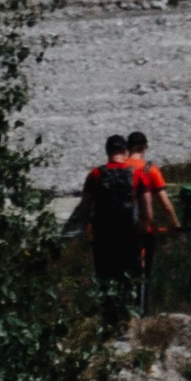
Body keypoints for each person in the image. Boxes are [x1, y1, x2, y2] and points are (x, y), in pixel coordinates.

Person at [64, 131, 146, 325]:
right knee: (130, 275)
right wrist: (144, 228)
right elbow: (146, 208)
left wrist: (85, 231)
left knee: (106, 276)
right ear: (125, 151)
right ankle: (131, 319)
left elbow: (85, 207)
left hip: (103, 236)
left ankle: (109, 319)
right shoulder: (136, 173)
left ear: (107, 151)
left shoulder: (95, 174)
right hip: (129, 234)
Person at [124, 128, 179, 313]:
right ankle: (141, 314)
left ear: (127, 148)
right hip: (143, 229)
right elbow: (165, 203)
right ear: (144, 147)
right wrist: (174, 224)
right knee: (143, 273)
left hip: (120, 228)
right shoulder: (150, 170)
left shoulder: (118, 169)